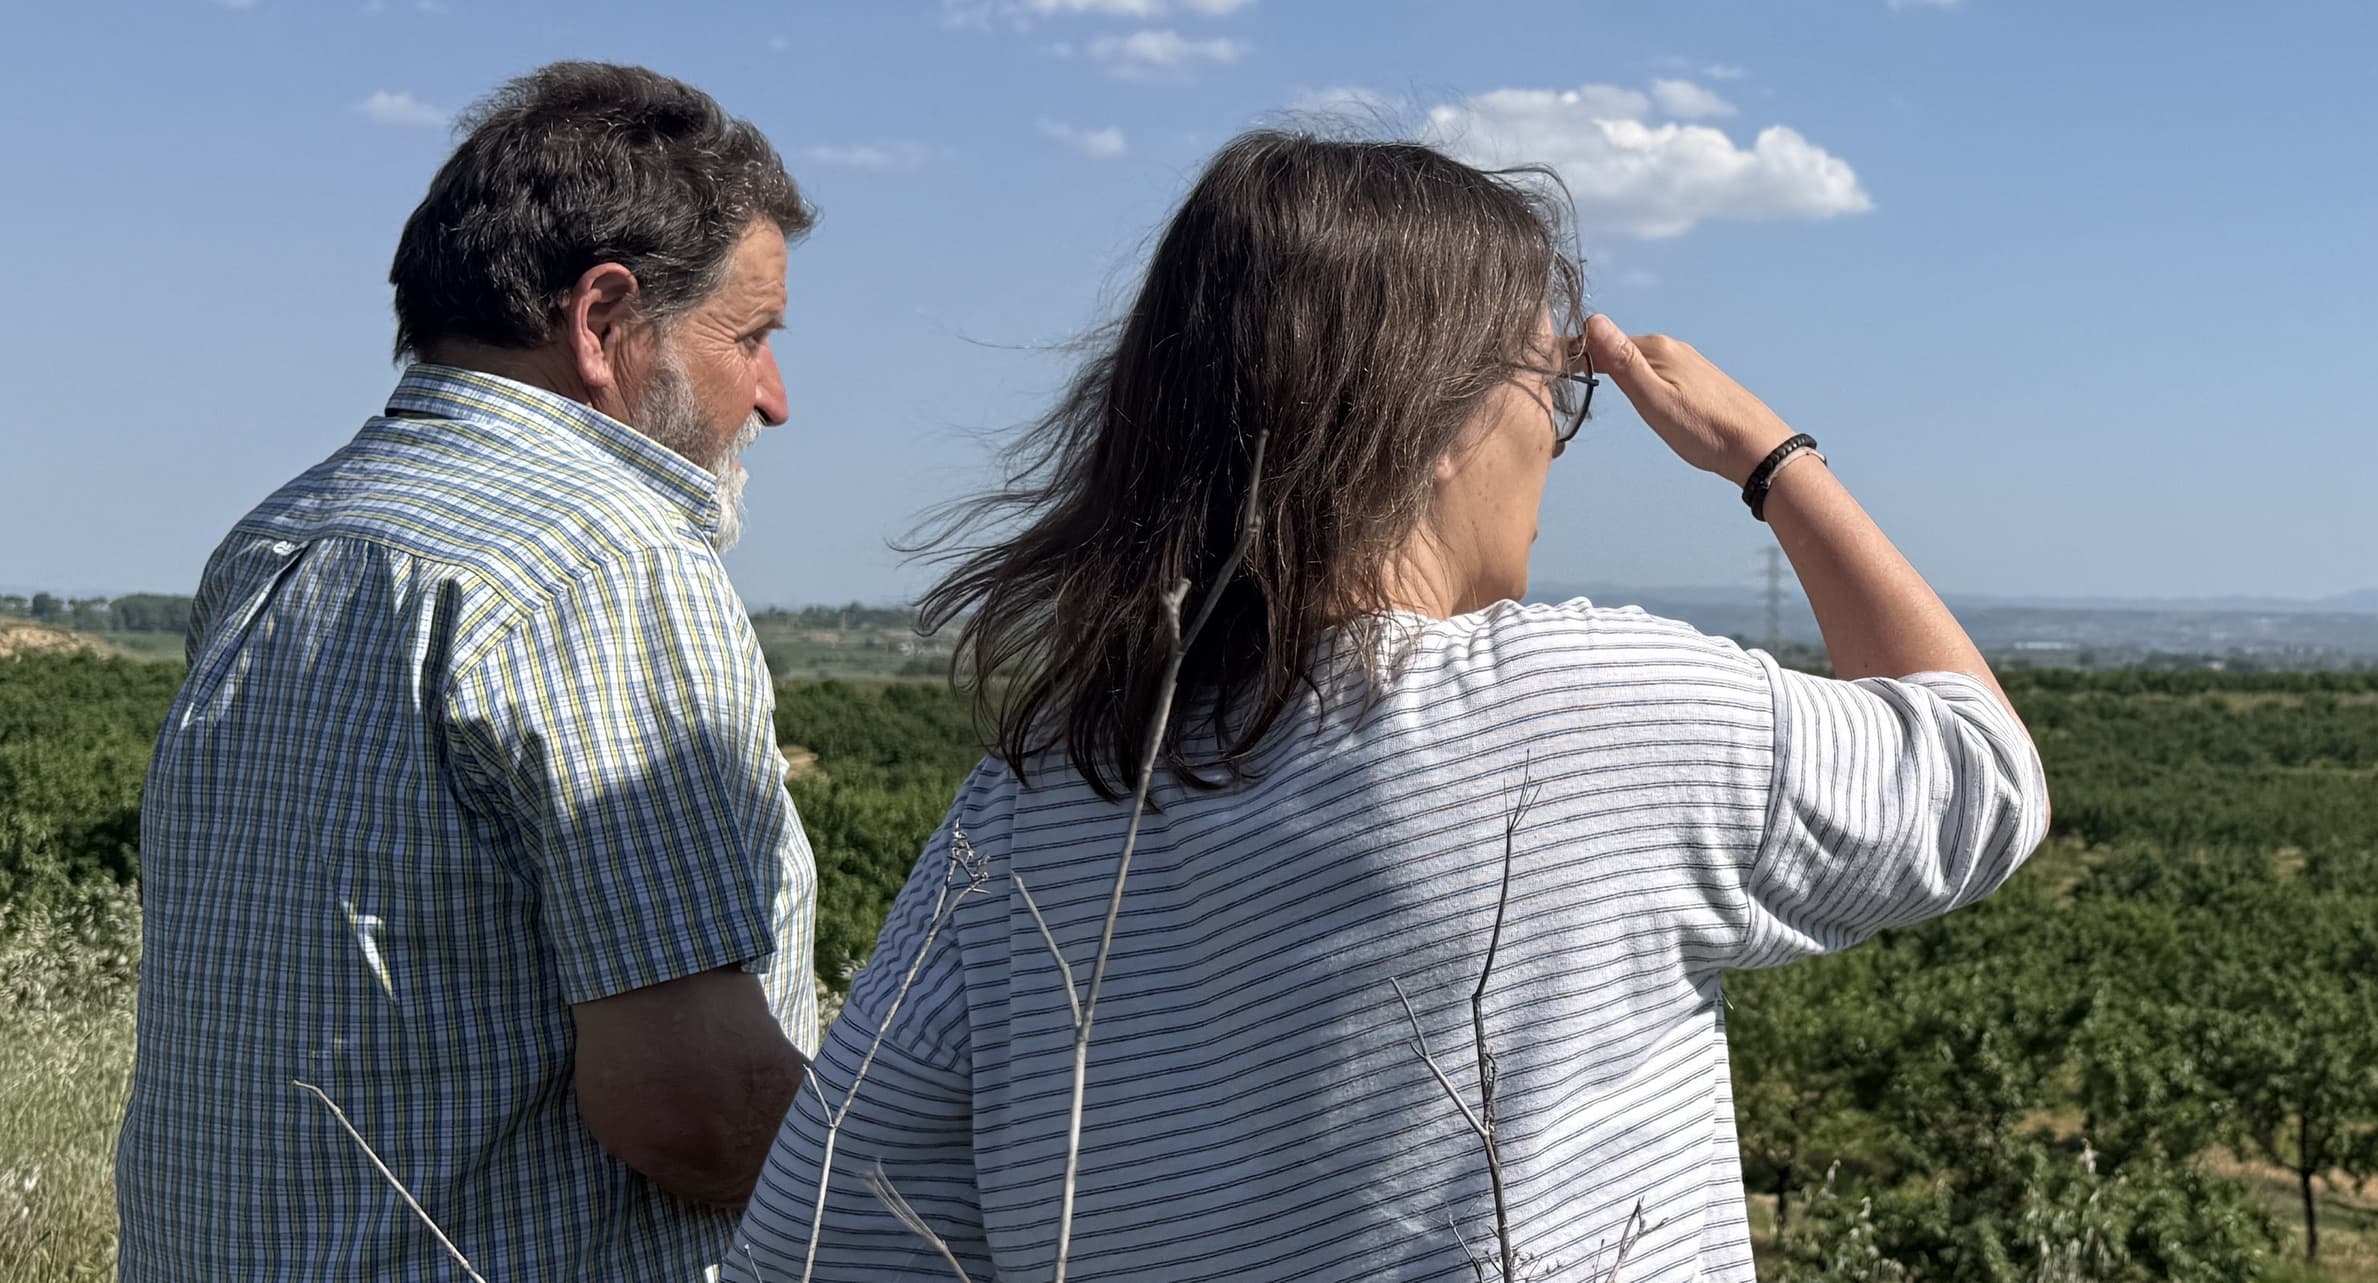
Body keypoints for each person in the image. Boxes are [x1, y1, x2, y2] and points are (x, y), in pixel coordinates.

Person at [724, 132, 2046, 1281]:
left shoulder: (1031, 804)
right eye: (1552, 386)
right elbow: (1983, 773)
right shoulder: (1584, 716)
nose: (1555, 437)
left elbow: (822, 1236)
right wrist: (1771, 457)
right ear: (1441, 424)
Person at [119, 62, 821, 1280]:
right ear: (604, 320)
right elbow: (691, 1104)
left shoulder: (280, 536)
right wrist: (940, 1193)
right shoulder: (608, 556)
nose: (773, 396)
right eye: (749, 334)